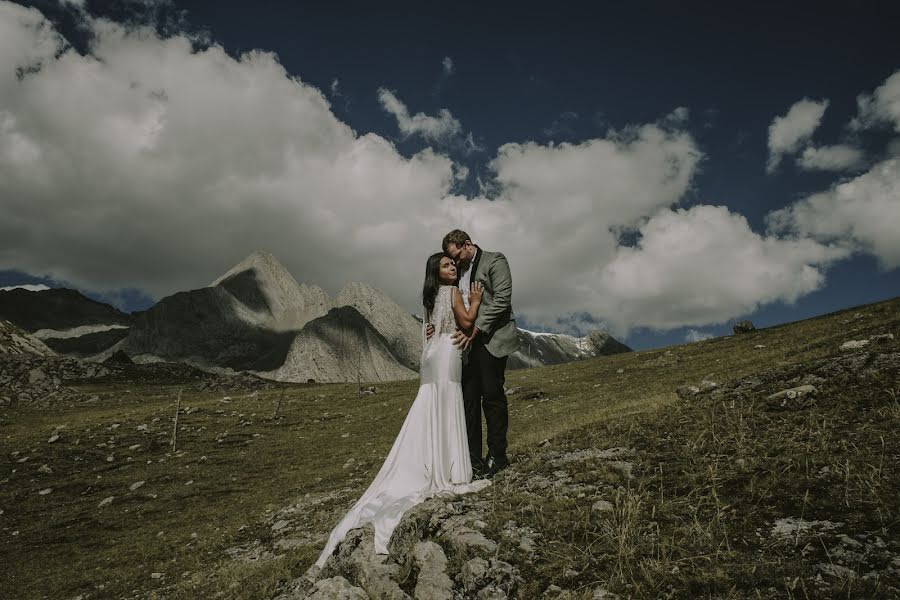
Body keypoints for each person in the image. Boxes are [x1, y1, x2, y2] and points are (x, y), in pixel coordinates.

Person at [314, 253, 490, 568]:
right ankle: (450, 471)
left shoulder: (429, 297)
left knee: (433, 401)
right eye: (446, 266)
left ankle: (430, 462)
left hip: (432, 354)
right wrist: (474, 301)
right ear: (437, 273)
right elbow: (465, 322)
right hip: (448, 350)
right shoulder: (450, 292)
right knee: (448, 400)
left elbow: (430, 331)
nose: (452, 268)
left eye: (453, 264)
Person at [442, 230, 519, 479]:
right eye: (452, 260)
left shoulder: (495, 260)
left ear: (468, 244)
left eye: (458, 256)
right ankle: (472, 460)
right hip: (466, 347)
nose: (457, 262)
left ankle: (498, 455)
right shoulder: (457, 271)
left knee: (492, 396)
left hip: (491, 339)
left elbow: (502, 300)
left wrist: (476, 329)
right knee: (468, 402)